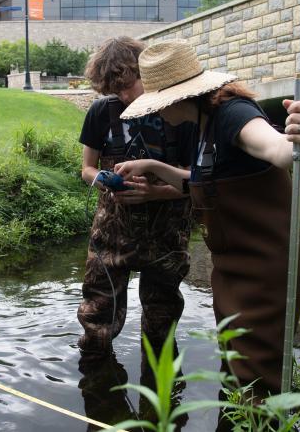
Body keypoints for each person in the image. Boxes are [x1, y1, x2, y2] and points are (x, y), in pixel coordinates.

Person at [114, 40, 300, 401]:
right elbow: (203, 182)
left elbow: (278, 150)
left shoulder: (233, 113)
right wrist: (153, 168)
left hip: (264, 274)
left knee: (257, 382)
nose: (156, 113)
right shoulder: (201, 124)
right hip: (229, 271)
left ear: (179, 97)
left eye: (158, 104)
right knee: (234, 370)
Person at [76, 36, 196, 363]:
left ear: (146, 73)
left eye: (129, 86)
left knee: (161, 330)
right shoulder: (102, 112)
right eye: (116, 91)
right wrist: (101, 178)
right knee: (96, 321)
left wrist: (154, 192)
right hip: (111, 235)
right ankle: (98, 394)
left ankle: (161, 406)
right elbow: (87, 168)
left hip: (166, 236)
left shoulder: (179, 112)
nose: (124, 97)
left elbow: (195, 180)